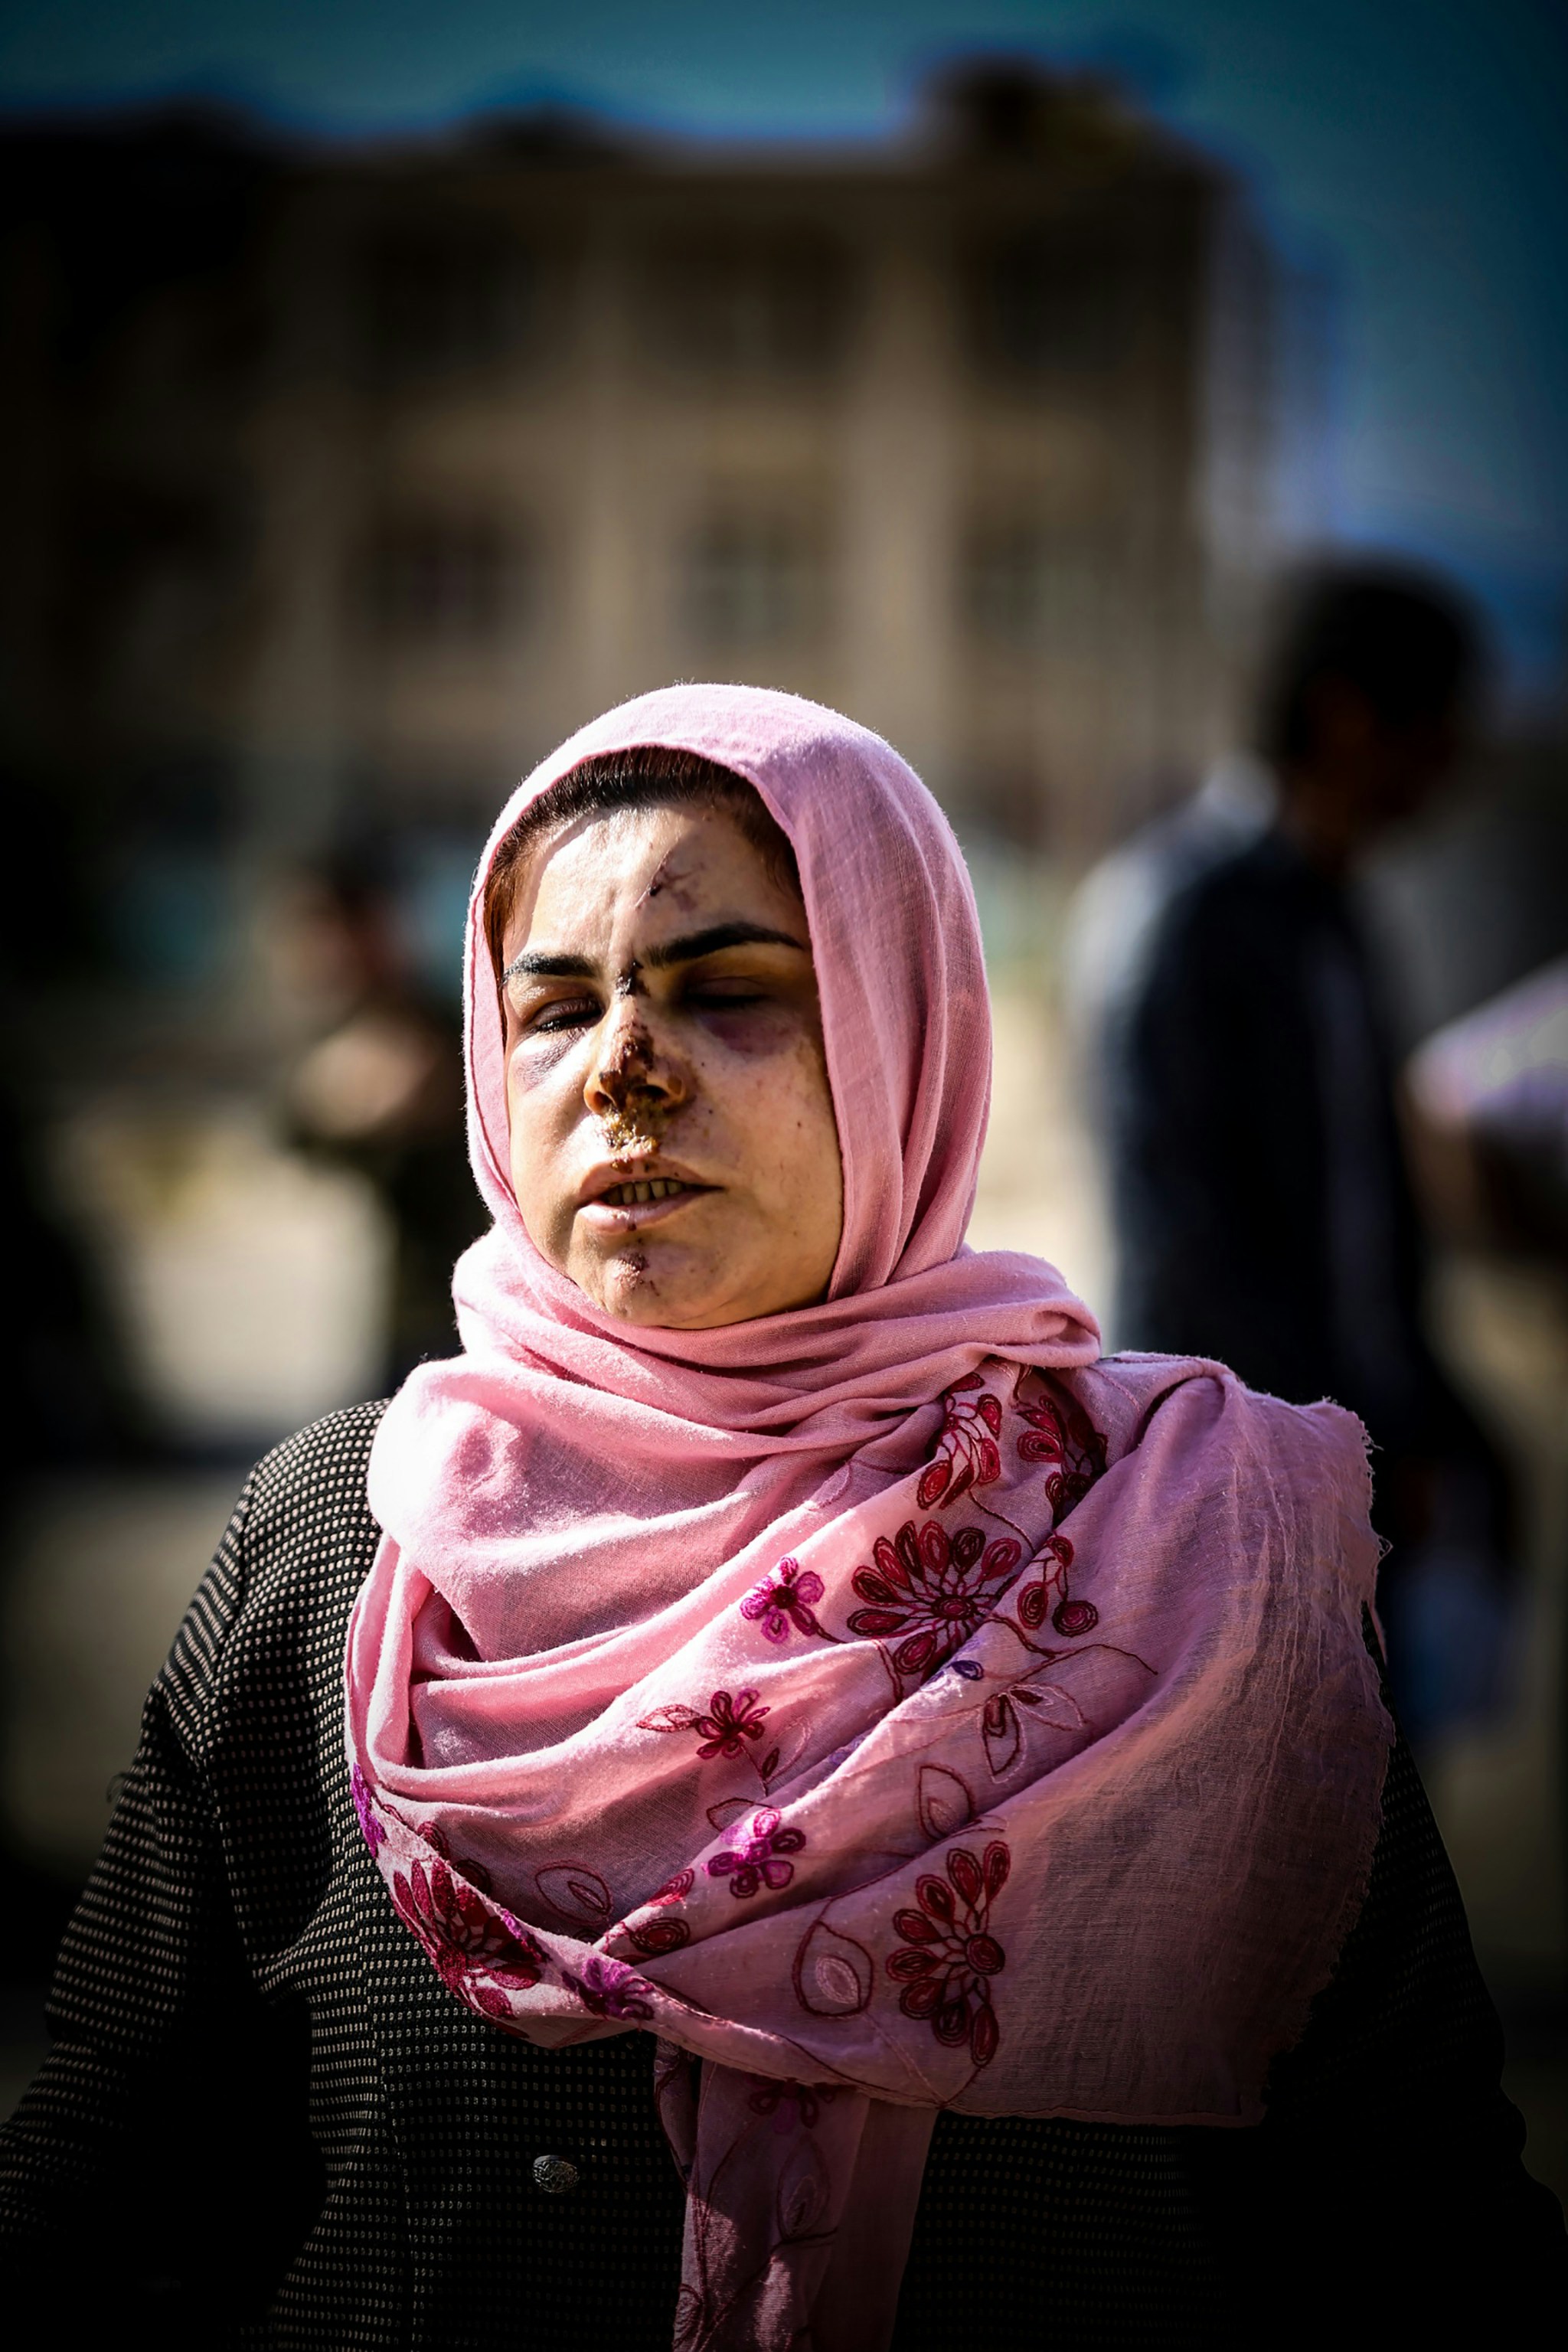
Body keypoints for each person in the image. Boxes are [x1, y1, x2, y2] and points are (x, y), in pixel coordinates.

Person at [1, 686, 1560, 2350]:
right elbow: (117, 2185)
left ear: (905, 1043)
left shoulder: (1196, 1549)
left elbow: (1419, 2229)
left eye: (725, 991)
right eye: (551, 1008)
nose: (624, 1071)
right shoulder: (341, 1542)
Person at [1076, 565, 1513, 1735]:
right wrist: (1337, 1456)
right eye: (1440, 720)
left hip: (1359, 1485)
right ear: (1347, 714)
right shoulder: (1183, 914)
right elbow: (1185, 1245)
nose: (1456, 760)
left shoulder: (1337, 918)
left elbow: (1368, 1230)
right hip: (1247, 1492)